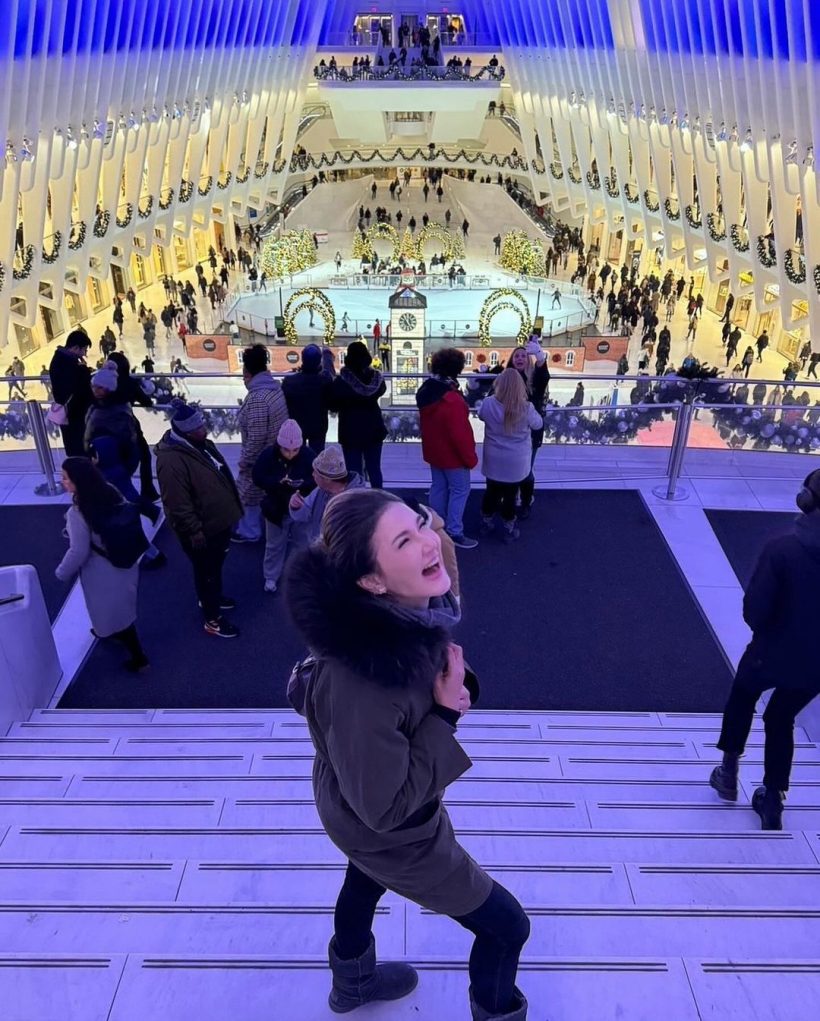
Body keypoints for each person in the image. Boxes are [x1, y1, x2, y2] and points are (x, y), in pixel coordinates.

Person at [284, 489, 530, 1020]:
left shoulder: (397, 617)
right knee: (508, 927)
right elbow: (385, 809)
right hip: (393, 832)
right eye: (404, 539)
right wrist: (443, 716)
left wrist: (451, 694)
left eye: (421, 524)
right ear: (371, 581)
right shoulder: (364, 681)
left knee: (362, 877)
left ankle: (351, 984)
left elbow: (404, 705)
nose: (429, 542)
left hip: (350, 805)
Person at [709, 470, 820, 830]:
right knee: (780, 718)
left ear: (806, 501)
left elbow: (754, 610)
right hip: (815, 665)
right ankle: (772, 799)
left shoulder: (782, 549)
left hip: (770, 651)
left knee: (742, 695)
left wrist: (770, 633)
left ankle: (728, 772)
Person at [155, 400, 242, 639]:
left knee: (211, 569)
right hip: (202, 531)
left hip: (215, 524)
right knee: (207, 571)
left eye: (203, 425)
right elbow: (177, 503)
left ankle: (211, 598)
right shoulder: (171, 461)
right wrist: (194, 532)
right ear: (184, 431)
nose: (204, 430)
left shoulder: (200, 445)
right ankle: (212, 620)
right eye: (198, 428)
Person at [55, 457, 149, 671]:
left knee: (112, 612)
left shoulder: (77, 512)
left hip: (102, 572)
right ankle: (116, 635)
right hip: (124, 560)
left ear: (79, 480)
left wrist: (61, 572)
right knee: (120, 607)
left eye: (66, 478)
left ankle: (139, 658)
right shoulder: (109, 490)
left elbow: (78, 551)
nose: (63, 482)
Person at [416, 348, 478, 549]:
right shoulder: (451, 399)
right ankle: (454, 532)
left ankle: (436, 527)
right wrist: (470, 458)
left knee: (438, 488)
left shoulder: (427, 391)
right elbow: (459, 434)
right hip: (453, 456)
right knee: (460, 490)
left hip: (435, 452)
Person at [478, 368, 543, 543]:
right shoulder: (526, 407)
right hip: (516, 461)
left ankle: (487, 521)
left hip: (493, 459)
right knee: (510, 496)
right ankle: (509, 528)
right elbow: (538, 425)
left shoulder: (488, 403)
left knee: (491, 492)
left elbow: (481, 416)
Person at [251, 419, 316, 594]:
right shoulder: (267, 456)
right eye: (286, 449)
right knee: (274, 545)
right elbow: (257, 477)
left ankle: (302, 575)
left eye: (295, 450)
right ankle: (271, 577)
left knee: (302, 544)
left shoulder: (309, 456)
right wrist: (276, 483)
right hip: (276, 509)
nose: (290, 454)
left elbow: (317, 480)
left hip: (301, 509)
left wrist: (302, 485)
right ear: (279, 445)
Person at [233, 344, 289, 543]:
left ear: (247, 372)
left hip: (261, 457)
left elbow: (256, 435)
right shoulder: (274, 388)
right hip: (275, 452)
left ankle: (250, 531)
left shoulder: (257, 397)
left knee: (249, 492)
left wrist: (245, 460)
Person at [330, 341, 387, 488]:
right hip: (373, 430)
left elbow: (332, 404)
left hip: (350, 432)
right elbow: (381, 390)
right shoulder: (376, 379)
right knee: (374, 470)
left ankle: (356, 504)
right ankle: (378, 503)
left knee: (354, 473)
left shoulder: (341, 382)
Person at [288, 444, 365, 542]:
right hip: (321, 552)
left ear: (327, 479)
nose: (312, 475)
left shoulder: (358, 500)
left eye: (316, 472)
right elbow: (303, 515)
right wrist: (295, 506)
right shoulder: (320, 491)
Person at [506, 340, 549, 517]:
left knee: (526, 470)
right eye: (516, 355)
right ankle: (511, 497)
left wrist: (539, 356)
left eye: (524, 355)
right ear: (511, 360)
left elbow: (543, 375)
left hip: (530, 433)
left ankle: (525, 500)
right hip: (510, 431)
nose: (520, 358)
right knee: (511, 467)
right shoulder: (505, 378)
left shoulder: (535, 380)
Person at [49, 329, 94, 456]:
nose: (84, 354)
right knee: (81, 453)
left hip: (71, 416)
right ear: (75, 348)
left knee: (76, 452)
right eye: (84, 350)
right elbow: (77, 389)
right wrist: (84, 371)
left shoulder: (62, 359)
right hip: (75, 417)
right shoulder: (67, 364)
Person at [281, 343, 334, 452]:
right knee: (317, 456)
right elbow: (329, 375)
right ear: (319, 361)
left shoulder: (289, 381)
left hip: (297, 427)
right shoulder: (324, 381)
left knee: (299, 457)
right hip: (319, 427)